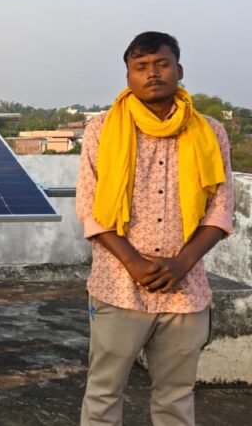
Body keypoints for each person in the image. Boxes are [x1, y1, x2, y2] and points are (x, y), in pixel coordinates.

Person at [77, 31, 234, 426]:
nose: (152, 73)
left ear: (179, 70)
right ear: (128, 76)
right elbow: (90, 209)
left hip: (185, 290)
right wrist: (133, 263)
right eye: (141, 66)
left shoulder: (209, 131)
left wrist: (183, 263)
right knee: (103, 392)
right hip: (118, 285)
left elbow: (220, 209)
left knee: (176, 398)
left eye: (162, 64)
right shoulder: (102, 129)